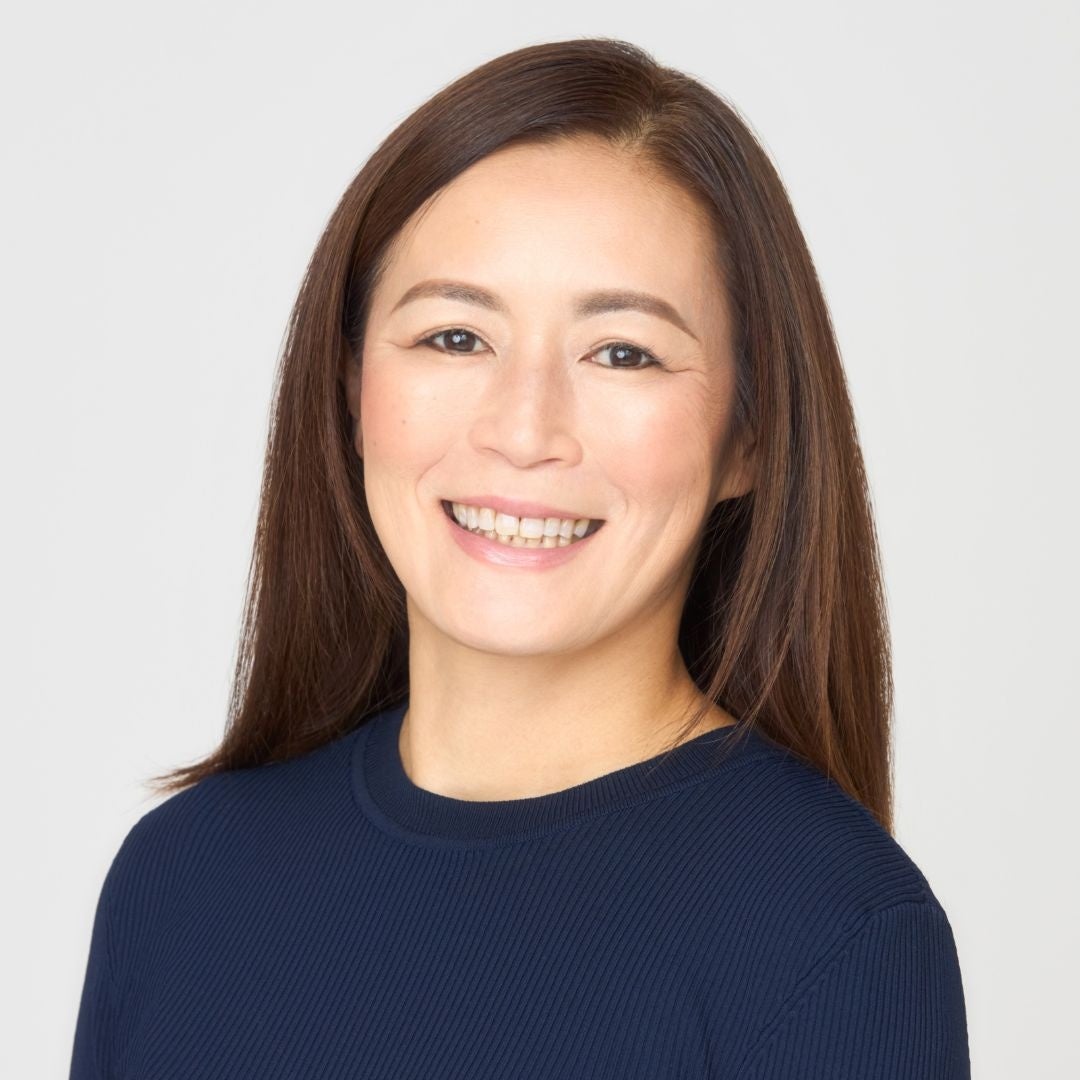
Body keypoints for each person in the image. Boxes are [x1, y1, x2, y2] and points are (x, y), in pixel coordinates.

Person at [68, 37, 971, 1079]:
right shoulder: (182, 880)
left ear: (749, 439)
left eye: (622, 353)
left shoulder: (835, 931)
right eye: (455, 337)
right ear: (351, 388)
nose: (523, 428)